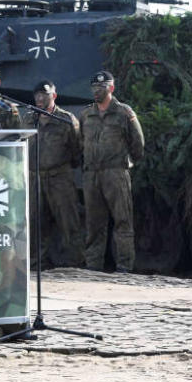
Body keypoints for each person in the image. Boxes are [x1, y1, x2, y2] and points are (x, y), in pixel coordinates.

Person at [78, 70, 144, 273]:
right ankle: (93, 266)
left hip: (115, 172)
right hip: (92, 174)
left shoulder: (124, 112)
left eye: (102, 87)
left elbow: (138, 143)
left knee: (122, 221)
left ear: (111, 88)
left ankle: (124, 266)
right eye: (95, 88)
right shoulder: (86, 114)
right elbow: (81, 142)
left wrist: (125, 162)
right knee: (94, 223)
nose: (97, 91)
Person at [29, 79, 84, 268]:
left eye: (44, 95)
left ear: (54, 95)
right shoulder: (29, 120)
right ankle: (37, 262)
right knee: (36, 222)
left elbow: (77, 150)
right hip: (35, 178)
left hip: (60, 177)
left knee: (68, 221)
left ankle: (73, 262)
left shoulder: (66, 119)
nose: (40, 99)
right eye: (37, 95)